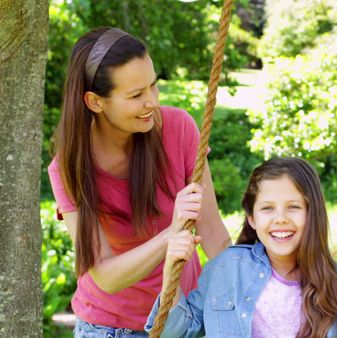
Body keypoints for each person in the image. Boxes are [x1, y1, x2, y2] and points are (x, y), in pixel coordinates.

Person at [48, 27, 230, 337]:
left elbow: (214, 236)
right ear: (95, 101)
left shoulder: (178, 128)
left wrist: (266, 291)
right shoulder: (70, 166)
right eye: (136, 95)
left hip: (182, 320)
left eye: (153, 86)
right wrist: (170, 234)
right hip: (109, 327)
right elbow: (104, 274)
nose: (152, 102)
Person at [145, 157, 337, 337]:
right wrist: (170, 275)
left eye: (293, 207)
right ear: (252, 218)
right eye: (267, 208)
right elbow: (174, 333)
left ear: (312, 213)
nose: (280, 218)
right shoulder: (228, 269)